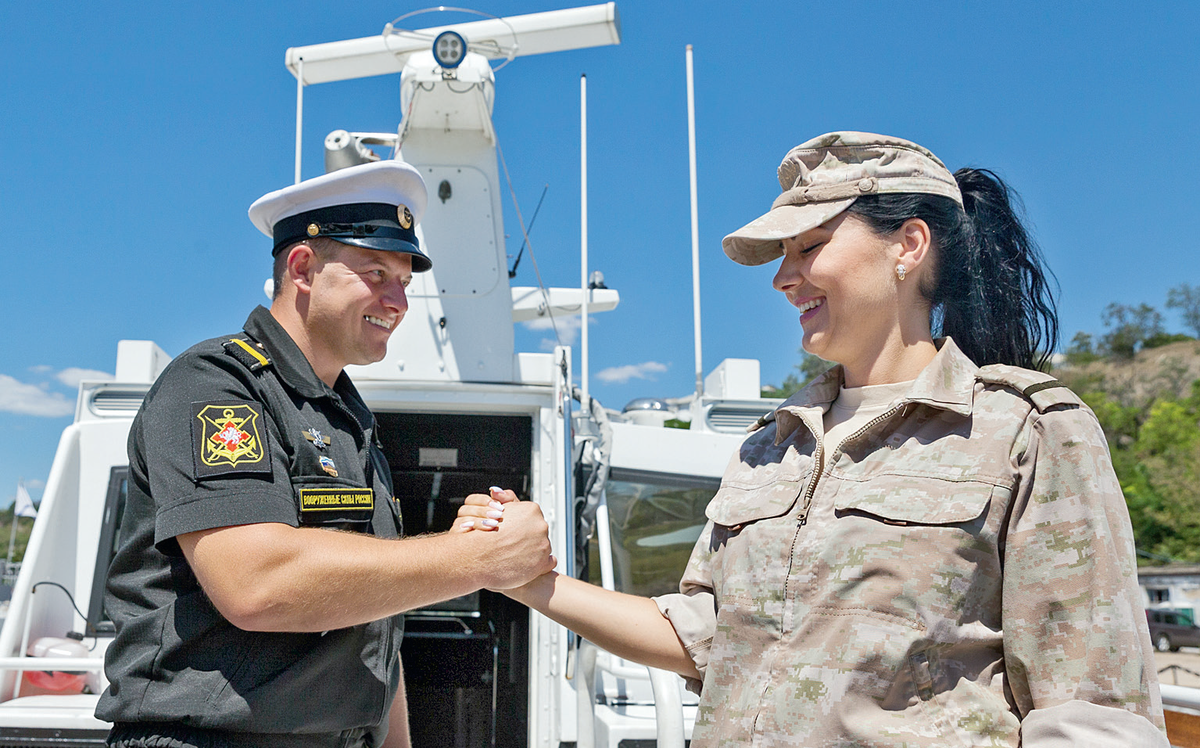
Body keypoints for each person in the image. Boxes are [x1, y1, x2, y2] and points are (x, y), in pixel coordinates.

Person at [460, 132, 1169, 746]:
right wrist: (530, 580)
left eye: (809, 246)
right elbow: (706, 635)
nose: (782, 277)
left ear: (909, 246)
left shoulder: (1025, 428)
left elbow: (1090, 707)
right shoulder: (772, 445)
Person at [96, 159, 555, 748]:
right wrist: (478, 559)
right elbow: (256, 583)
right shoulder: (216, 386)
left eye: (405, 283)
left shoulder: (349, 419)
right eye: (376, 273)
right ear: (303, 266)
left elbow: (372, 629)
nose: (398, 302)